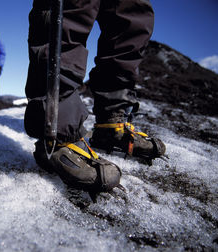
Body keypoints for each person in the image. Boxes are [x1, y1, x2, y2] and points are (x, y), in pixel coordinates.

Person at [24, 0, 166, 195]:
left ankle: (112, 122)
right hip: (53, 118)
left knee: (131, 16)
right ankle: (57, 130)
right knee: (71, 9)